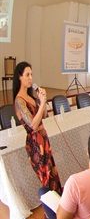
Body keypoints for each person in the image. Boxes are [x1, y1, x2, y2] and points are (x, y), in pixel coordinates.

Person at [13, 61, 61, 194]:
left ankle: (57, 208)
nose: (30, 78)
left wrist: (42, 101)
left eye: (31, 75)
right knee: (46, 177)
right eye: (27, 75)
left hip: (43, 138)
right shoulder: (19, 101)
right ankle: (50, 211)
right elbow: (33, 125)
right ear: (19, 77)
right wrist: (42, 103)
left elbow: (43, 115)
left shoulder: (29, 97)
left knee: (52, 174)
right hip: (35, 143)